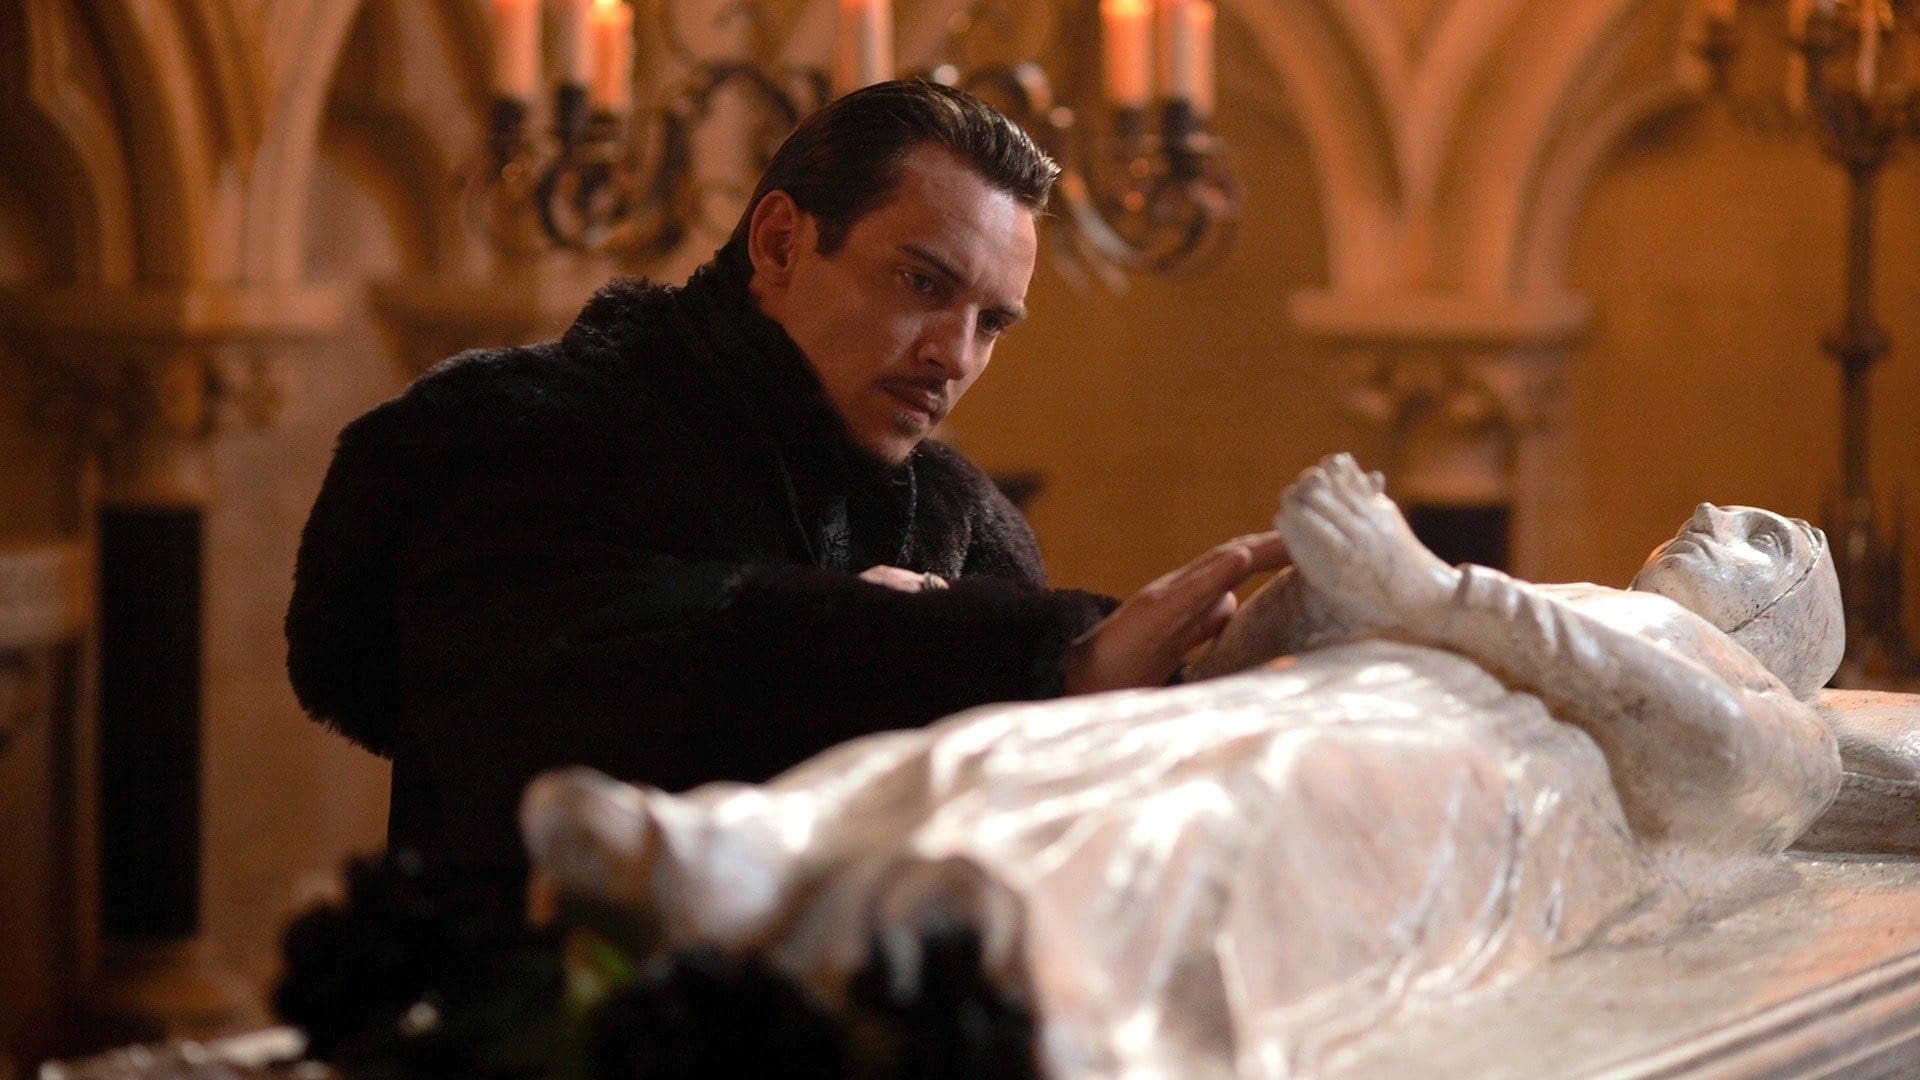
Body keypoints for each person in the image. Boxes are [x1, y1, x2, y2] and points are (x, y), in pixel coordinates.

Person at [520, 454, 1847, 1076]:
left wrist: (1428, 590)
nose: (1708, 512)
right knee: (1040, 747)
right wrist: (1305, 595)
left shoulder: (1758, 700)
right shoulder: (1557, 597)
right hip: (1333, 699)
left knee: (1219, 815)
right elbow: (1273, 657)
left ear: (1787, 631)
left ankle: (1014, 969)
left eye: (1762, 538)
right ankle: (763, 854)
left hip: (1476, 782)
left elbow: (1720, 762)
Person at [284, 79, 1287, 870]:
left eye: (991, 322)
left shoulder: (959, 521)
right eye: (922, 283)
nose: (954, 354)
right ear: (779, 242)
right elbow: (575, 708)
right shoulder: (510, 432)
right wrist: (995, 657)